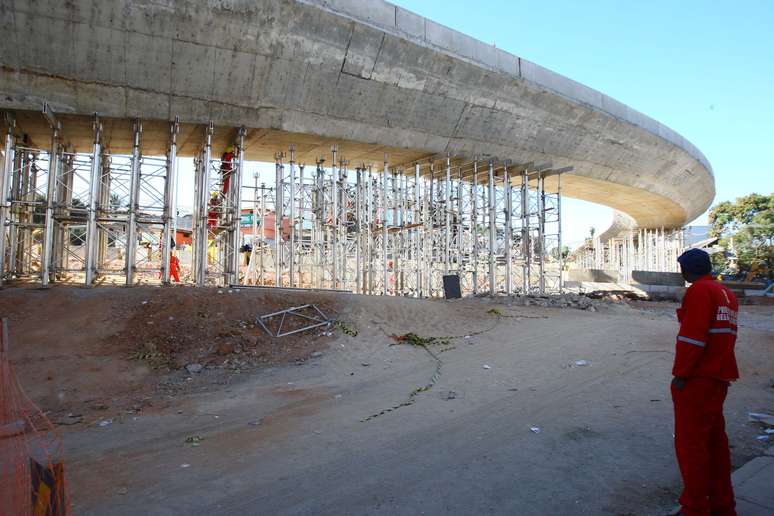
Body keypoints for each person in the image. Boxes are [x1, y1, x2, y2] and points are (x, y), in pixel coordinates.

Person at [671, 248, 739, 516]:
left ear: (686, 270)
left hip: (698, 379)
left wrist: (681, 374)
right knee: (716, 445)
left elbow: (692, 338)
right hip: (719, 376)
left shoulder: (699, 291)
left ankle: (695, 508)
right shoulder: (727, 294)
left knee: (692, 449)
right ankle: (723, 506)